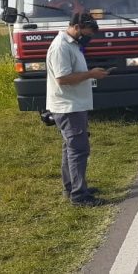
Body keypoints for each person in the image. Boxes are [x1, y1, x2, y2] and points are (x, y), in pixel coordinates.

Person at [46, 12, 108, 206]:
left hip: (74, 104)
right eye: (87, 33)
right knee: (79, 150)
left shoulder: (72, 44)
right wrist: (90, 74)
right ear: (77, 27)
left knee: (71, 148)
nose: (88, 37)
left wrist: (90, 73)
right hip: (68, 106)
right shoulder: (61, 47)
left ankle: (72, 187)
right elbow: (62, 79)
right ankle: (79, 196)